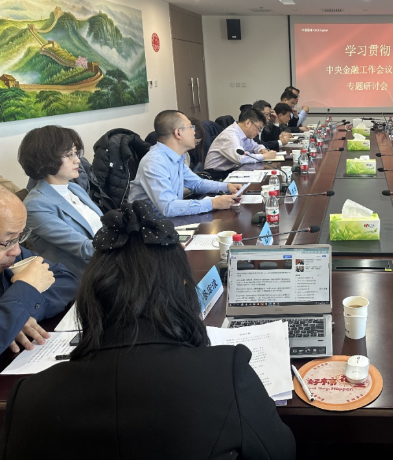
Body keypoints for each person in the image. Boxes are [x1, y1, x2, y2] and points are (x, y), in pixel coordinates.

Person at [0, 201, 296, 459]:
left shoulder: (29, 397)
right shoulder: (227, 374)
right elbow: (280, 452)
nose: (14, 248)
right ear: (182, 287)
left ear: (92, 292)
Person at [0, 186, 78, 354]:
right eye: (8, 241)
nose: (17, 251)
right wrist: (22, 299)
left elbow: (67, 282)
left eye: (19, 237)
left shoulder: (12, 257)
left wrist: (22, 313)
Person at [18, 126, 103, 278]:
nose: (77, 160)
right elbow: (84, 248)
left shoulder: (74, 189)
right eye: (69, 155)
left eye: (76, 153)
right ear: (46, 159)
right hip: (80, 280)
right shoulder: (35, 205)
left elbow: (103, 227)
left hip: (104, 267)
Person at [129, 110, 241, 217]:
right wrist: (213, 203)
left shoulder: (176, 157)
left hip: (170, 219)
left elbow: (197, 184)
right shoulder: (154, 162)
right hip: (152, 225)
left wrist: (227, 186)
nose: (194, 132)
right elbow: (168, 207)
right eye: (191, 127)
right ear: (178, 133)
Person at [206, 107, 278, 174]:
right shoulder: (230, 135)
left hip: (231, 170)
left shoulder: (244, 134)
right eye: (258, 128)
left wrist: (261, 150)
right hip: (216, 175)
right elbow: (241, 159)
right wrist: (264, 156)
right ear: (248, 123)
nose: (258, 133)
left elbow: (255, 146)